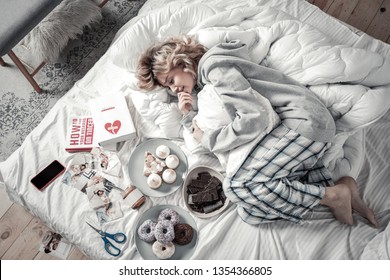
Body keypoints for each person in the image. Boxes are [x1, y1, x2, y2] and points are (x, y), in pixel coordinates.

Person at [136, 36, 378, 227]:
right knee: (248, 213)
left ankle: (334, 196)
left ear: (180, 62)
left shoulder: (214, 66)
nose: (174, 89)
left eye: (170, 80)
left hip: (303, 121)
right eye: (168, 87)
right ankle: (343, 187)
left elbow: (255, 117)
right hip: (291, 128)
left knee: (238, 187)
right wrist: (187, 112)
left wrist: (209, 140)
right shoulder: (206, 85)